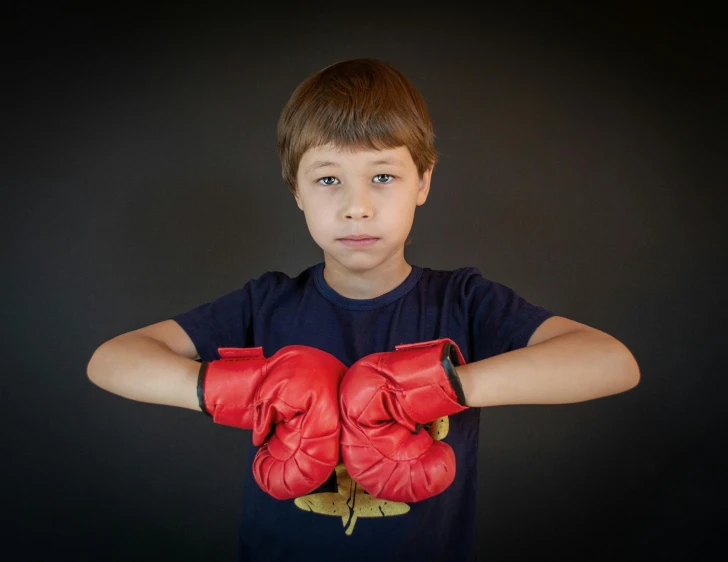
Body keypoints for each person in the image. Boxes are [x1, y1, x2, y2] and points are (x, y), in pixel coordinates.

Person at [87, 58, 641, 561]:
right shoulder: (266, 303)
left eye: (383, 176)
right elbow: (112, 359)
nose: (357, 206)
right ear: (296, 192)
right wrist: (250, 392)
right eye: (328, 179)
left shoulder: (463, 302)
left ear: (422, 182)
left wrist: (445, 387)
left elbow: (611, 361)